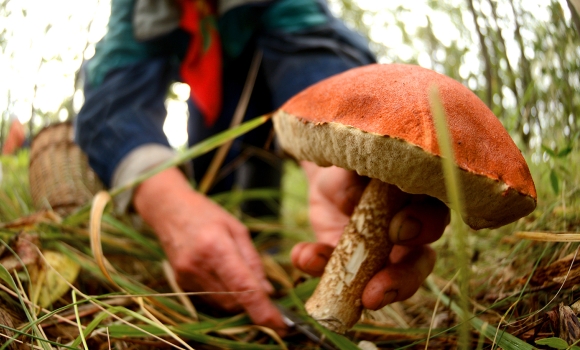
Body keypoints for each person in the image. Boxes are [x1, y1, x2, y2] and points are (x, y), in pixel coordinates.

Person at [75, 0, 450, 334]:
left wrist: (334, 162)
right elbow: (114, 94)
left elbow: (312, 46)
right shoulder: (138, 8)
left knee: (261, 191)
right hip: (207, 108)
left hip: (270, 104)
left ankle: (266, 266)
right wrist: (167, 202)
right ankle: (214, 283)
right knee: (208, 188)